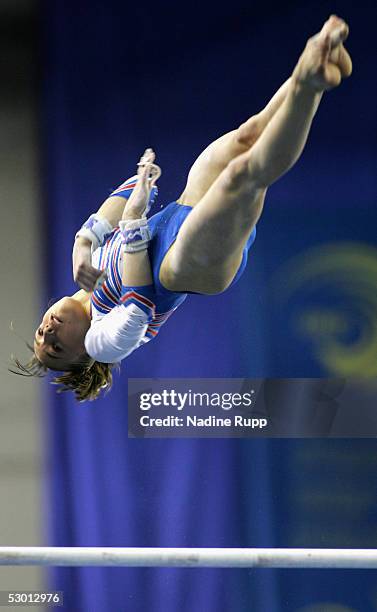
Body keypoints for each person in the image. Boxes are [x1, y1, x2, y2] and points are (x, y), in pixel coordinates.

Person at [10, 15, 352, 401]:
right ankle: (309, 84)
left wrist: (85, 238)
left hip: (179, 212)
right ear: (83, 356)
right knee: (243, 175)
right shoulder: (104, 343)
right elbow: (138, 300)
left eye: (40, 332)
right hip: (184, 266)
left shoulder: (88, 275)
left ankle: (319, 62)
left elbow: (127, 193)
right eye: (56, 347)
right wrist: (134, 222)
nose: (48, 331)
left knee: (247, 136)